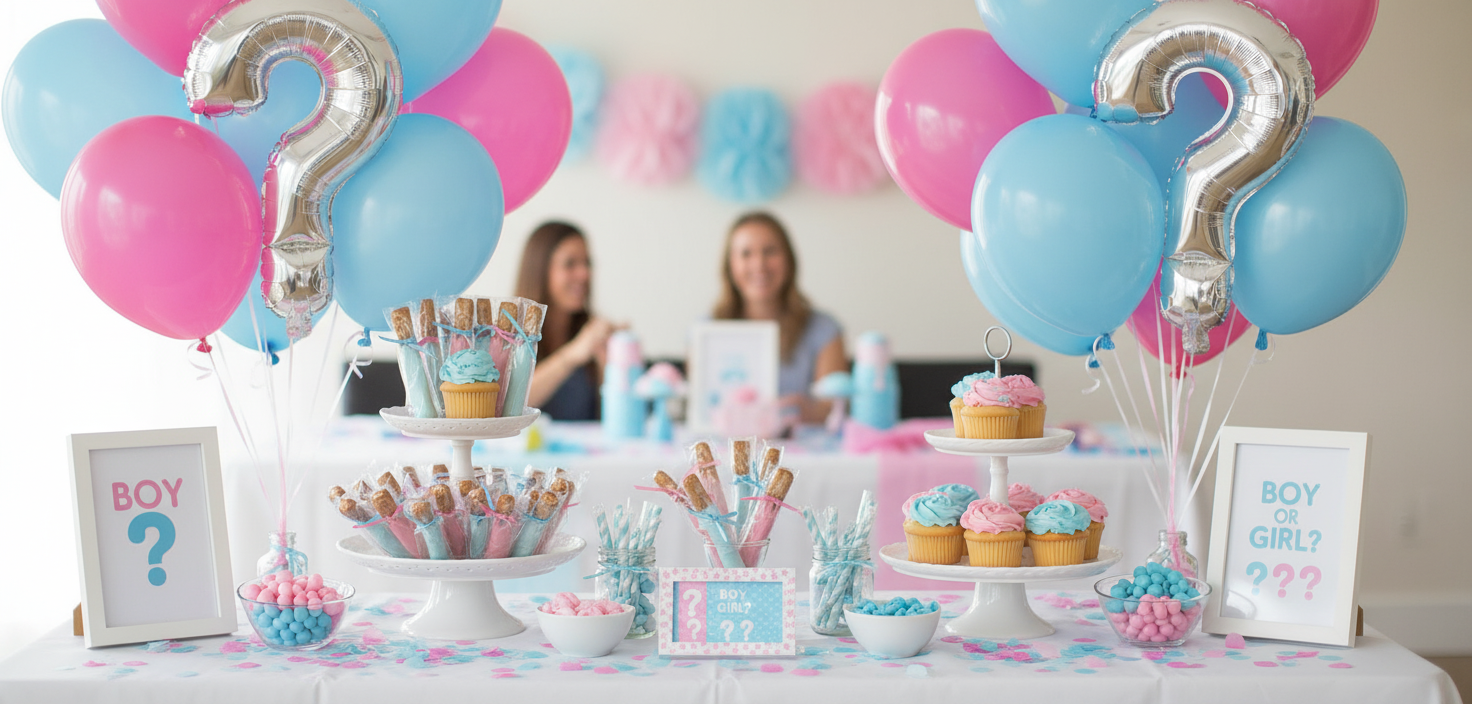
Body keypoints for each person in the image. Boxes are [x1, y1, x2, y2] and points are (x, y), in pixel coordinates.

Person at [712, 211, 846, 424]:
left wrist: (809, 412)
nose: (759, 264)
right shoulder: (706, 332)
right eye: (746, 254)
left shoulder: (824, 330)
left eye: (770, 251)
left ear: (789, 260)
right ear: (730, 265)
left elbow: (835, 409)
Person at [514, 221, 617, 420]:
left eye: (587, 263)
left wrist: (614, 365)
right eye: (570, 264)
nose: (584, 274)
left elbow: (608, 419)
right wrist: (573, 353)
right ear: (540, 271)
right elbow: (510, 405)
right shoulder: (509, 337)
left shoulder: (592, 333)